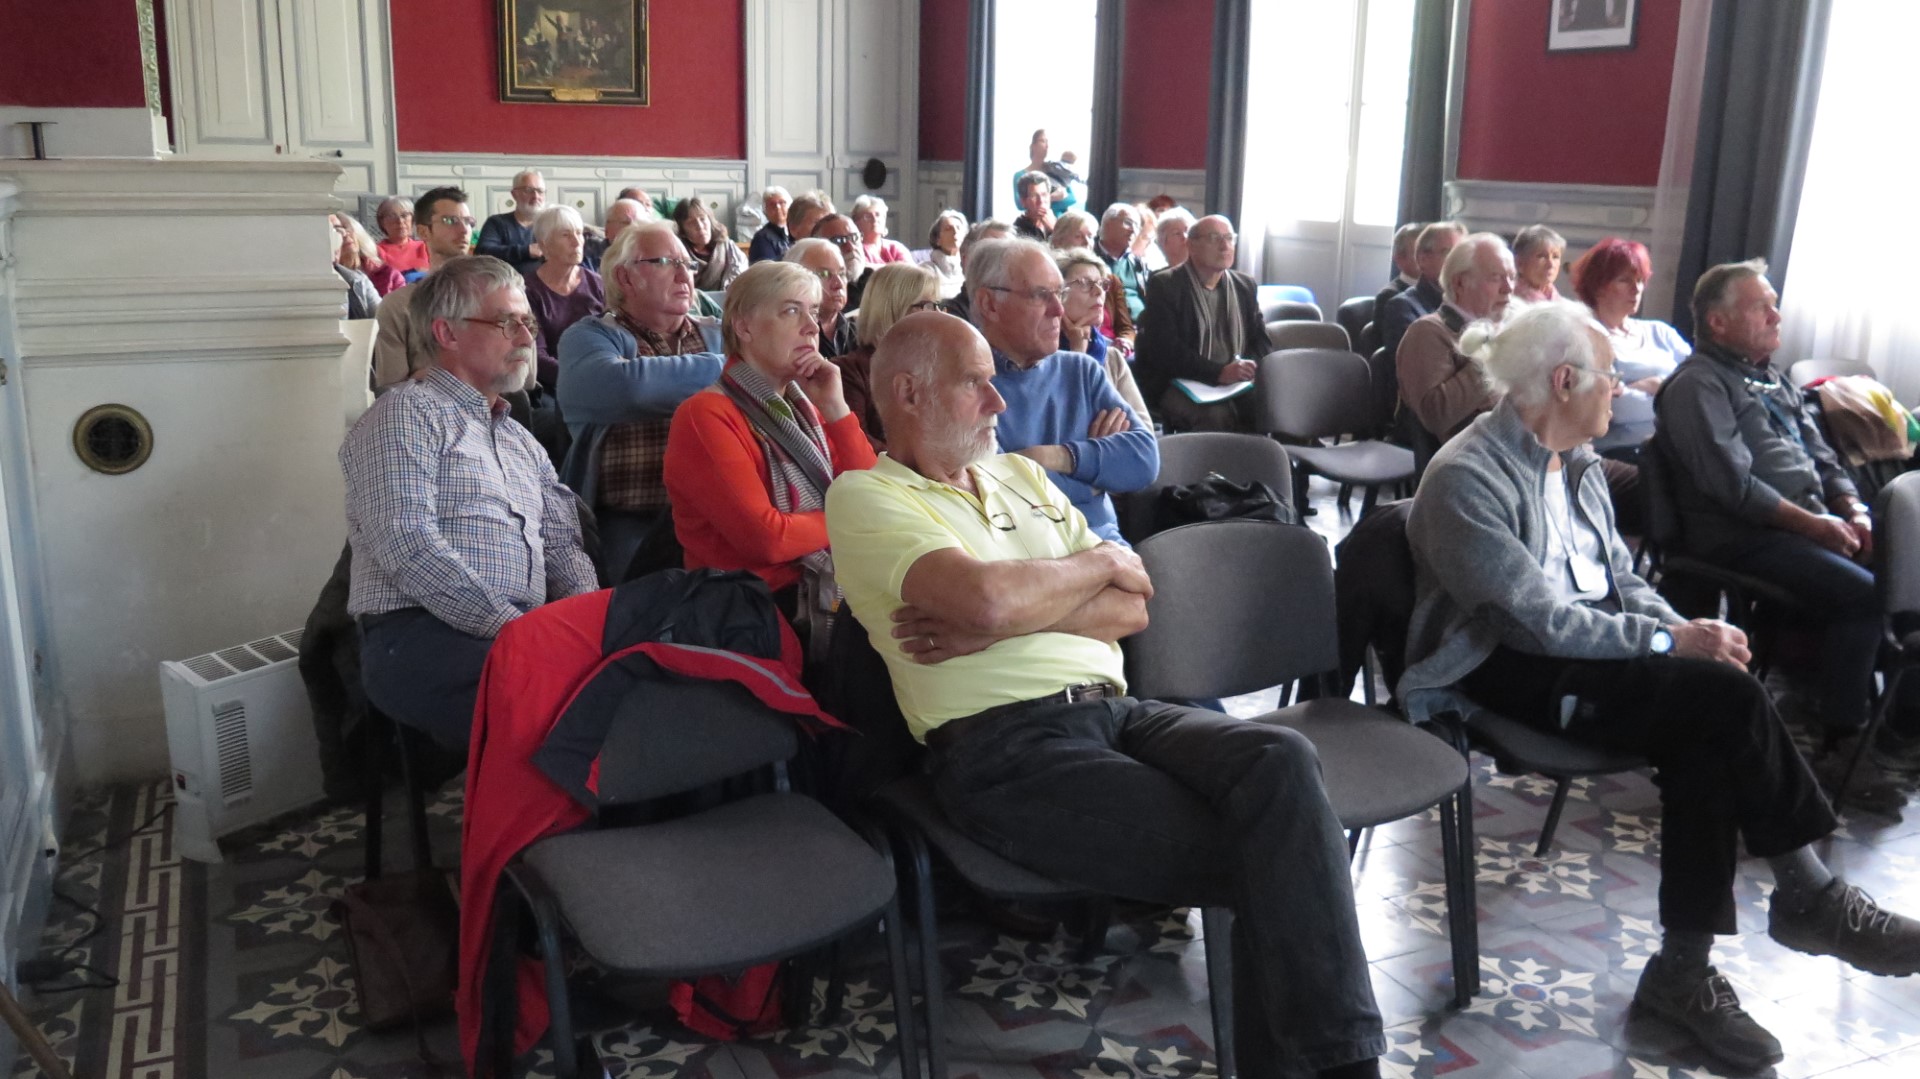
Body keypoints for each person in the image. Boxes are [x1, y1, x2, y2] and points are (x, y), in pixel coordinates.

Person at [825, 311, 1386, 1079]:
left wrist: (1002, 620)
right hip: (1003, 749)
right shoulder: (865, 497)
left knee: (1280, 758)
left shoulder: (1020, 475)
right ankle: (1344, 1069)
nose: (1000, 403)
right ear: (909, 392)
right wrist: (1074, 577)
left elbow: (1136, 598)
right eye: (977, 383)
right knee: (1279, 852)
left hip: (1116, 709)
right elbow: (992, 595)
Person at [1400, 300, 1920, 1074]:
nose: (1622, 393)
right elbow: (1537, 624)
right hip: (1501, 665)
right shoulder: (1464, 479)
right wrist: (1671, 640)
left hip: (1591, 651)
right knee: (1722, 703)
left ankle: (1690, 968)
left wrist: (1682, 630)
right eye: (1611, 379)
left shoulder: (1574, 461)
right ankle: (1801, 900)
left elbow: (1618, 582)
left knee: (1707, 715)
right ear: (1565, 379)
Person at [1653, 259, 1916, 792]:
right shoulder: (1697, 385)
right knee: (1864, 597)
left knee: (1908, 575)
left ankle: (1900, 726)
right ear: (1719, 322)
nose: (1777, 314)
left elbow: (1825, 457)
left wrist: (1853, 510)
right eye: (1761, 306)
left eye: (1774, 304)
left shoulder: (1769, 377)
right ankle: (1844, 741)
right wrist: (1817, 528)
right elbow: (1735, 489)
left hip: (1803, 523)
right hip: (1740, 536)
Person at [342, 255, 598, 749]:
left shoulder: (521, 441)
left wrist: (585, 624)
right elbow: (410, 547)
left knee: (637, 677)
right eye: (507, 322)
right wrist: (518, 631)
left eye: (528, 322)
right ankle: (546, 825)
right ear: (448, 333)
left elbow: (564, 545)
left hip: (524, 629)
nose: (527, 338)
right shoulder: (405, 416)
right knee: (573, 702)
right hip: (419, 636)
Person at [663, 261, 877, 639]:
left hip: (821, 586)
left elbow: (871, 491)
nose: (812, 327)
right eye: (791, 311)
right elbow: (769, 540)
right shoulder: (705, 414)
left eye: (813, 312)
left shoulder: (805, 405)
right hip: (751, 610)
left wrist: (836, 409)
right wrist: (854, 520)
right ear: (744, 326)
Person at [556, 222, 726, 575]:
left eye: (689, 264)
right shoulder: (589, 337)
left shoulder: (719, 334)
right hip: (630, 520)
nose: (684, 274)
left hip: (720, 518)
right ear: (626, 278)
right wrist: (732, 372)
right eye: (666, 262)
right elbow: (625, 388)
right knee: (636, 614)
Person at [971, 238, 1157, 543]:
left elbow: (1144, 460)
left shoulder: (1081, 371)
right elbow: (1002, 497)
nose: (1058, 310)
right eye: (1040, 295)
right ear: (990, 304)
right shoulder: (965, 383)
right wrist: (1097, 475)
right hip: (1025, 557)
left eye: (1060, 294)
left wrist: (1058, 457)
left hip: (1106, 549)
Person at [1134, 215, 1271, 432]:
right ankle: (1213, 467)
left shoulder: (1244, 285)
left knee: (1275, 405)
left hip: (1235, 381)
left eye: (1229, 238)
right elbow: (1165, 351)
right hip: (1180, 381)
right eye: (1214, 238)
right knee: (1216, 416)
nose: (1225, 246)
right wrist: (1219, 373)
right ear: (1192, 245)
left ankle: (1267, 465)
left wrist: (1247, 367)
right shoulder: (1166, 284)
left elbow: (1261, 340)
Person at [1572, 237, 1689, 455]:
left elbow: (1696, 392)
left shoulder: (1660, 331)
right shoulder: (1589, 336)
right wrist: (1670, 390)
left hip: (1675, 448)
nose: (1636, 289)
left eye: (1640, 280)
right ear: (1598, 286)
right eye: (1624, 280)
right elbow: (1618, 409)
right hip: (1621, 452)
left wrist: (1647, 387)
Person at [1395, 233, 1512, 442]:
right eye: (1496, 277)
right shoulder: (1428, 332)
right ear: (1460, 283)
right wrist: (1490, 352)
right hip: (1469, 459)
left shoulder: (1506, 327)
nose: (1509, 288)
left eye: (1511, 277)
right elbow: (1435, 416)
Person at [374, 186, 479, 389]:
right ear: (423, 231)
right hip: (421, 410)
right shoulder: (398, 305)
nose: (464, 229)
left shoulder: (492, 296)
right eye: (450, 221)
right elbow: (391, 387)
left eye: (468, 222)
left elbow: (524, 378)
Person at [834, 262, 940, 452]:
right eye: (928, 306)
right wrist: (921, 462)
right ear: (894, 308)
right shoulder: (848, 372)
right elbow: (858, 444)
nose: (939, 316)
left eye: (939, 306)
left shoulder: (934, 367)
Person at [1058, 247, 1152, 430]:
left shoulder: (1112, 359)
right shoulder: (1040, 359)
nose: (1098, 292)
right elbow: (1064, 429)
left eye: (1101, 284)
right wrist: (1078, 352)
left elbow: (1145, 432)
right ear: (1057, 293)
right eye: (1085, 283)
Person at [521, 205, 604, 393]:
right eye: (566, 235)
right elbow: (536, 355)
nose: (577, 242)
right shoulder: (528, 290)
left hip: (603, 377)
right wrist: (581, 379)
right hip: (554, 385)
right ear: (544, 244)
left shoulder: (598, 283)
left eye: (579, 233)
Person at [1378, 221, 1465, 360]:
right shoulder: (1402, 307)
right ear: (1423, 259)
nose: (1460, 262)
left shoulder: (1469, 301)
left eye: (1462, 254)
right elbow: (1425, 366)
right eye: (1449, 253)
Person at [784, 237, 858, 358]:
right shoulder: (788, 338)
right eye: (824, 274)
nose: (838, 284)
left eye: (841, 274)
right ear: (793, 280)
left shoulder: (858, 335)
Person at [942, 219, 1013, 323]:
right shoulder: (951, 315)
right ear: (967, 260)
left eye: (1010, 254)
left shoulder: (1023, 307)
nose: (1004, 261)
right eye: (994, 253)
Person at [476, 169, 547, 273]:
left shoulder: (552, 226)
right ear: (514, 194)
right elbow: (482, 253)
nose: (536, 196)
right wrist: (525, 251)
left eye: (540, 191)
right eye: (528, 190)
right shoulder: (496, 222)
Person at [672, 196, 748, 292]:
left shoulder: (726, 245)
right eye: (691, 223)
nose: (700, 226)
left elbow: (741, 272)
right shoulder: (678, 252)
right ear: (682, 230)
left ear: (710, 220)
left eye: (703, 219)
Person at [1094, 203, 1149, 320]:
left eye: (1137, 226)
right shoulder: (1089, 258)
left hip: (1140, 326)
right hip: (1106, 327)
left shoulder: (1138, 264)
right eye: (1128, 223)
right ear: (1107, 223)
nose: (1133, 230)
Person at [1010, 128, 1082, 216]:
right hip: (1035, 224)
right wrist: (1051, 198)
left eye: (1048, 142)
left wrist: (1037, 203)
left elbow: (1072, 198)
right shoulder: (1020, 175)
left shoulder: (1056, 170)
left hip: (1059, 223)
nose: (1047, 145)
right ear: (1033, 146)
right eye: (1042, 141)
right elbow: (1020, 205)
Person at [333, 213, 404, 297]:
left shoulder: (389, 275)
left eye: (347, 228)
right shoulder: (328, 278)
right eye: (337, 231)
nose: (346, 234)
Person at [810, 213, 871, 310]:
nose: (850, 247)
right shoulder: (815, 290)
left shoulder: (876, 280)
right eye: (838, 241)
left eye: (854, 237)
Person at [585, 197, 653, 271]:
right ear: (607, 229)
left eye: (640, 224)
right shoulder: (589, 256)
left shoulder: (652, 256)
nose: (635, 229)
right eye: (627, 223)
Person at [1374, 222, 1424, 316]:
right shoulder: (1389, 296)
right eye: (1418, 253)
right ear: (1399, 258)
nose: (1426, 258)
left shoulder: (1438, 290)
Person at [919, 208, 968, 300]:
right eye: (948, 229)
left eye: (958, 228)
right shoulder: (926, 270)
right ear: (937, 240)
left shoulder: (971, 269)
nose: (955, 231)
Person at [374, 196, 430, 277]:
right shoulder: (376, 251)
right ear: (382, 222)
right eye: (392, 216)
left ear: (413, 219)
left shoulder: (425, 246)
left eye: (405, 215)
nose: (400, 221)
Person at [850, 194, 912, 266]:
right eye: (868, 216)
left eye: (878, 215)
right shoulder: (854, 249)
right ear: (856, 222)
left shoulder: (895, 247)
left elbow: (911, 272)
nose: (875, 219)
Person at [1511, 224, 1565, 305]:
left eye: (1555, 257)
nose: (1550, 264)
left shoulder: (1559, 301)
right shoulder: (1510, 301)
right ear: (1519, 263)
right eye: (1542, 256)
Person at [749, 185, 794, 263]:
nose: (778, 207)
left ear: (789, 206)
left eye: (782, 202)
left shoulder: (796, 231)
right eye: (772, 204)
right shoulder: (762, 238)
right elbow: (766, 269)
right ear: (765, 211)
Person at [1151, 206, 1195, 274]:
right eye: (1177, 233)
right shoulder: (1158, 278)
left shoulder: (1205, 274)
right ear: (1162, 241)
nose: (1185, 237)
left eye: (1187, 231)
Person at [1012, 171, 1055, 241]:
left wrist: (1054, 229)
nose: (1040, 201)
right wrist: (1054, 232)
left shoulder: (1061, 224)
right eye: (1034, 196)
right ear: (1023, 201)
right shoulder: (1017, 232)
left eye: (1044, 195)